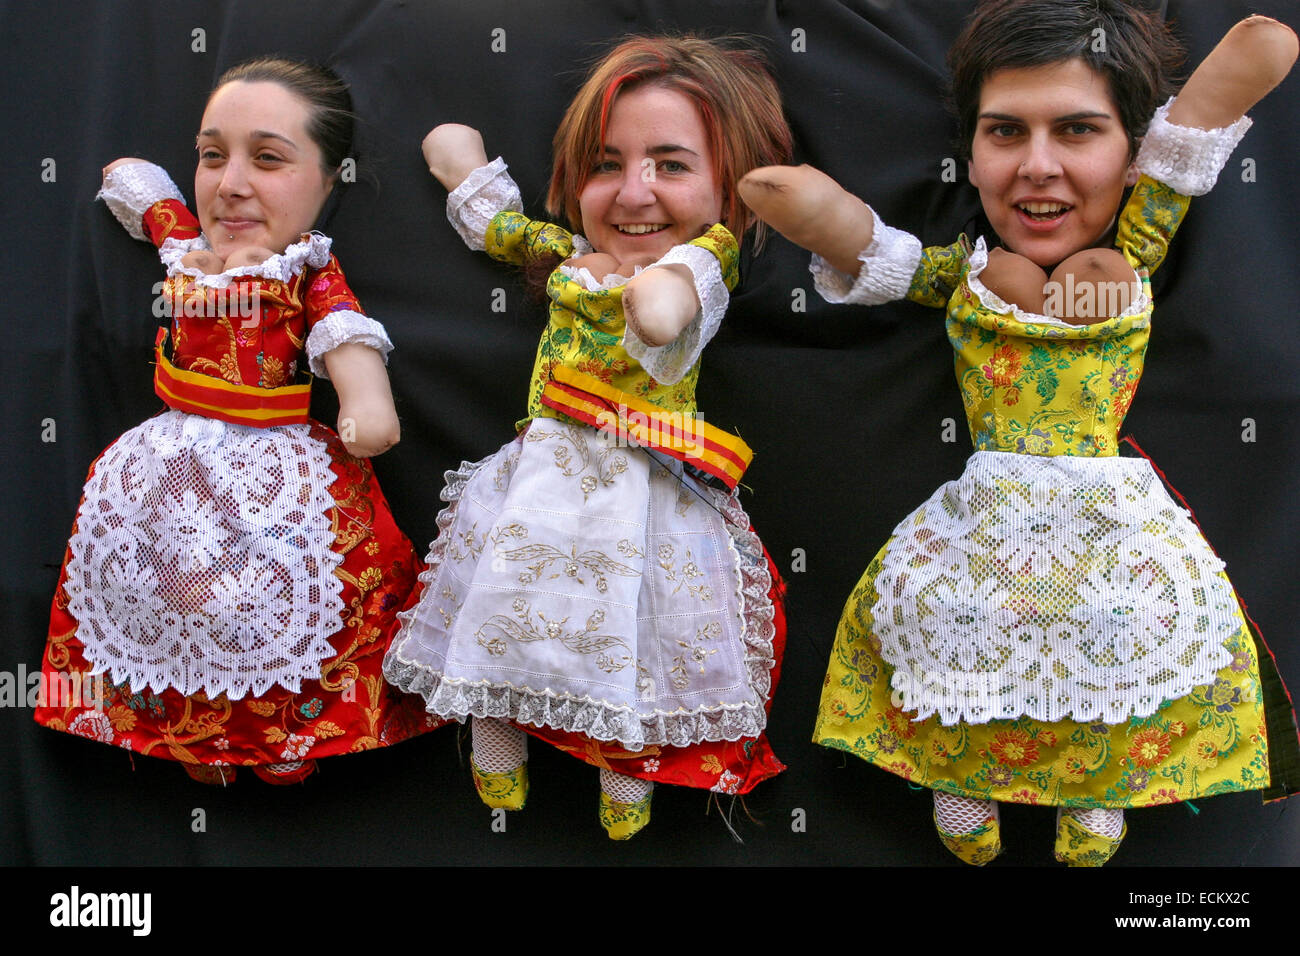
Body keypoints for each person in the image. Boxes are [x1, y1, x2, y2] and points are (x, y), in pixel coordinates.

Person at [740, 3, 1300, 864]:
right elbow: (876, 251)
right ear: (969, 156)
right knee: (955, 624)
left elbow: (1185, 147)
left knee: (1120, 630)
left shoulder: (1131, 250)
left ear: (1135, 151)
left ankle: (1097, 792)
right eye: (1005, 131)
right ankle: (961, 781)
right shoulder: (967, 274)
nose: (1038, 167)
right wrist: (818, 211)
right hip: (988, 514)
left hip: (1108, 510)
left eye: (1078, 129)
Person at [384, 36, 793, 839]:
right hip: (542, 473)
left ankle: (624, 771)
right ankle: (496, 738)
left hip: (640, 480)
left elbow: (679, 298)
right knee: (505, 596)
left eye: (671, 165)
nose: (634, 192)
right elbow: (500, 228)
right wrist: (462, 168)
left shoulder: (705, 256)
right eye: (607, 165)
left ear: (729, 189)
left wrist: (658, 298)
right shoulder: (571, 254)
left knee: (633, 626)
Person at [35, 57, 441, 784]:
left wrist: (364, 405)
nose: (230, 184)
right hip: (169, 470)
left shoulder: (308, 273)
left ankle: (281, 732)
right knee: (163, 596)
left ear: (330, 180)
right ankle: (187, 730)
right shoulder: (189, 253)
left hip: (275, 470)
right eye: (212, 155)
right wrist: (142, 183)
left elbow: (351, 356)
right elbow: (144, 195)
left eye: (269, 159)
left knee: (282, 598)